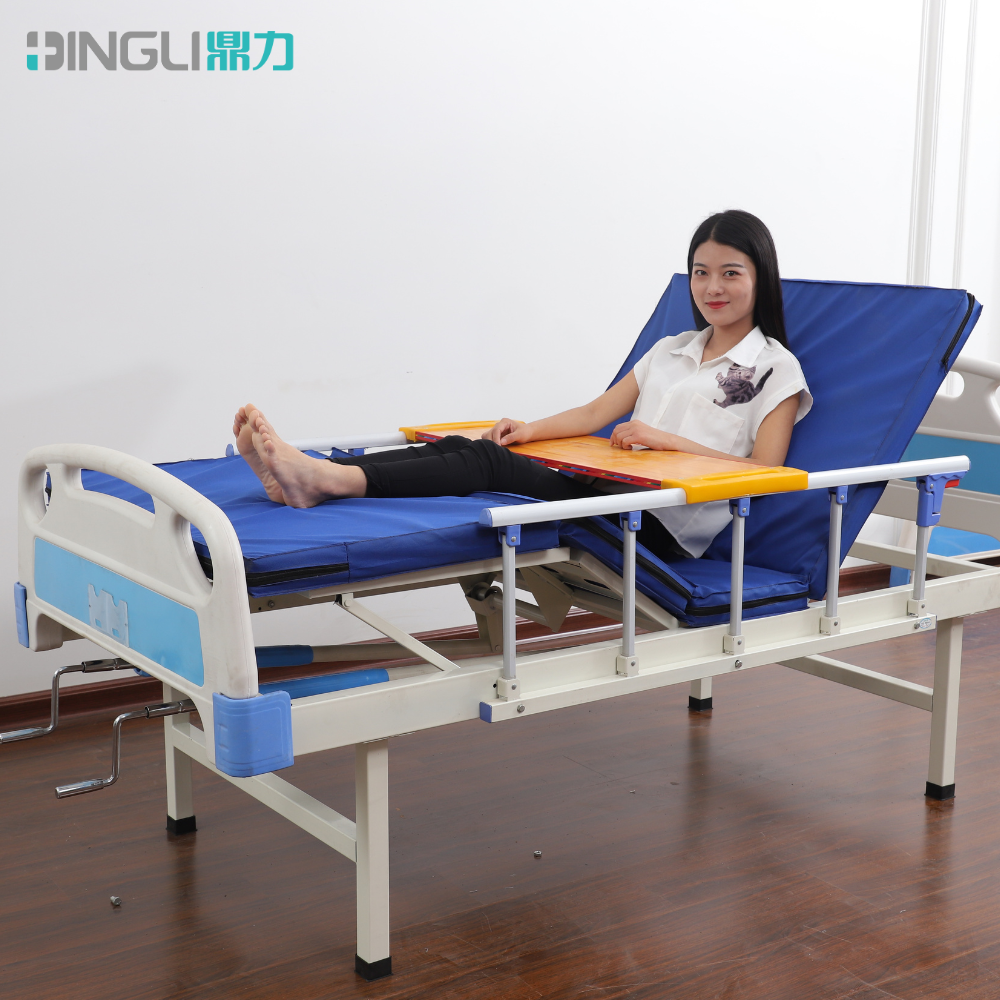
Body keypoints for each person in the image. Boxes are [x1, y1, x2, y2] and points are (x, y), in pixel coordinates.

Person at [233, 210, 812, 563]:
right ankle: (311, 479)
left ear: (760, 278)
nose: (712, 288)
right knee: (476, 445)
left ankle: (329, 480)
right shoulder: (671, 349)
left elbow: (768, 472)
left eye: (730, 273)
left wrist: (668, 442)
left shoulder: (775, 369)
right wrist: (528, 429)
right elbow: (594, 413)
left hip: (659, 527)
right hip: (607, 493)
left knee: (488, 464)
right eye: (701, 273)